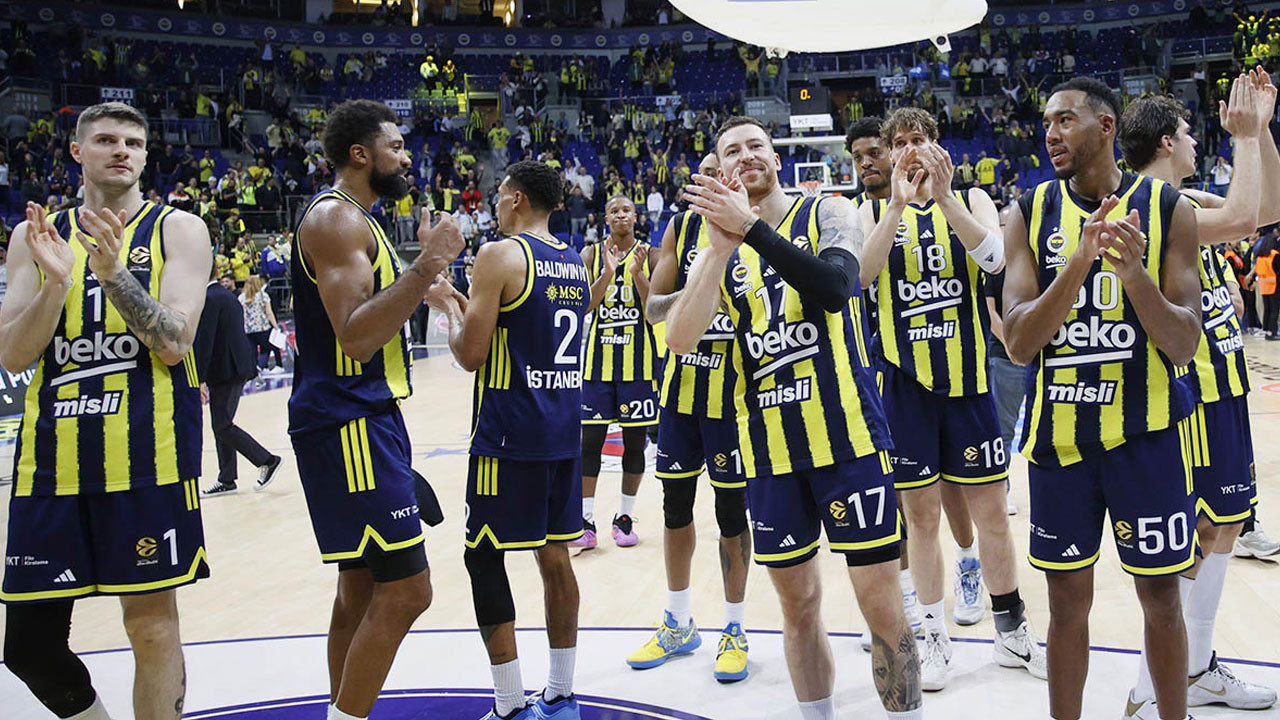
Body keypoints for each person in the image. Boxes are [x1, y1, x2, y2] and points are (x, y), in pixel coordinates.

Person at [666, 115, 922, 720]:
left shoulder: (827, 211)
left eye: (757, 145)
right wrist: (719, 250)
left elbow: (837, 288)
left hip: (849, 440)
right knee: (798, 607)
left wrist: (750, 229)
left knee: (880, 603)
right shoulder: (719, 248)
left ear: (777, 158)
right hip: (769, 452)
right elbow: (678, 337)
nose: (747, 155)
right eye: (733, 151)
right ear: (721, 170)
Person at [0, 102, 212, 719]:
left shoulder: (178, 229)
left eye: (134, 143)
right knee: (30, 648)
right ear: (77, 151)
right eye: (106, 140)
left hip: (148, 458)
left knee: (149, 626)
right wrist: (57, 284)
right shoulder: (34, 236)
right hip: (50, 464)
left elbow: (174, 343)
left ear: (145, 156)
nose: (122, 150)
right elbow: (12, 354)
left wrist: (114, 273)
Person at [1002, 77, 1203, 720]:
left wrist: (1134, 276)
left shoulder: (1170, 209)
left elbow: (1183, 344)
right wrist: (1080, 261)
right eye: (1046, 122)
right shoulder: (1029, 211)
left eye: (1065, 120)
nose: (1050, 133)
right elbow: (1018, 342)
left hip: (1145, 439)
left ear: (1106, 126)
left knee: (1162, 600)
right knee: (1067, 607)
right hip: (1060, 445)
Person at [288, 99, 465, 720]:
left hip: (361, 418)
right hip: (348, 421)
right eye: (396, 146)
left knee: (359, 587)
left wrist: (422, 289)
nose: (408, 157)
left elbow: (367, 312)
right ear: (360, 154)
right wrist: (428, 265)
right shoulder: (337, 218)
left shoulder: (359, 218)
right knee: (410, 590)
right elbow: (356, 338)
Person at [859, 107, 1046, 691]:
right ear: (890, 152)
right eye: (899, 141)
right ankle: (934, 635)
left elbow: (995, 259)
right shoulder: (871, 210)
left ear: (937, 145)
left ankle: (1011, 628)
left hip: (967, 382)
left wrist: (943, 199)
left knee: (991, 513)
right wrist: (896, 206)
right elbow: (858, 278)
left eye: (919, 138)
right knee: (920, 518)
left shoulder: (973, 199)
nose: (909, 149)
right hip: (905, 387)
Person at [1117, 72, 1278, 716]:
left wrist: (1262, 132)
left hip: (1227, 383)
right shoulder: (1146, 206)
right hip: (1190, 392)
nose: (1194, 140)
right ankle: (1152, 683)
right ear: (1165, 141)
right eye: (1186, 132)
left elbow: (1266, 209)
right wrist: (1245, 136)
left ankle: (1197, 666)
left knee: (1226, 524)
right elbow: (1243, 218)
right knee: (1194, 539)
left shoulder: (1187, 198)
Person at [427, 160, 589, 720]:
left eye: (499, 195)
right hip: (563, 429)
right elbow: (517, 330)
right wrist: (461, 299)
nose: (494, 205)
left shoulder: (500, 254)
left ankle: (508, 704)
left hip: (508, 433)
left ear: (516, 198)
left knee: (483, 556)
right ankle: (561, 696)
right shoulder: (573, 261)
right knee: (555, 556)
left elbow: (471, 354)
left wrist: (448, 309)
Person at [626, 153, 752, 683]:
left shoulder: (760, 226)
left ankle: (735, 627)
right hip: (680, 393)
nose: (716, 178)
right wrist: (703, 289)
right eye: (707, 171)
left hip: (736, 396)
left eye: (725, 170)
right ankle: (678, 622)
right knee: (674, 509)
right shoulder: (681, 226)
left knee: (731, 515)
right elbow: (653, 309)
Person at [573, 195, 659, 549]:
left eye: (626, 210)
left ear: (635, 217)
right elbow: (582, 306)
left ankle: (624, 517)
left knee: (635, 444)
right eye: (614, 211)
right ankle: (585, 519)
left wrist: (636, 274)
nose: (621, 215)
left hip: (639, 366)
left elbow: (655, 309)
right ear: (605, 218)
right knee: (589, 443)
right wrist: (608, 273)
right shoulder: (590, 255)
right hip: (598, 365)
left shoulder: (651, 255)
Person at [197, 266, 282, 497]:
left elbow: (206, 340)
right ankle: (226, 479)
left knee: (222, 424)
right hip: (234, 366)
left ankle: (267, 460)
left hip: (226, 369)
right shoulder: (228, 296)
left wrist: (200, 377)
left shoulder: (210, 298)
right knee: (221, 423)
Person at [241, 274, 284, 372]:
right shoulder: (263, 296)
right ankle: (262, 366)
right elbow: (269, 313)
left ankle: (256, 369)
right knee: (267, 348)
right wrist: (276, 326)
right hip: (262, 328)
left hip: (248, 329)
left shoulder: (241, 297)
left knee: (253, 351)